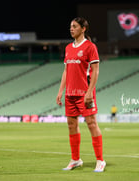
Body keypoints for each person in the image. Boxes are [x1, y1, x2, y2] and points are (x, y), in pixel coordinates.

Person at [56, 17, 106, 172]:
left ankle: (100, 160)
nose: (71, 29)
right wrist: (60, 91)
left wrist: (90, 92)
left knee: (91, 124)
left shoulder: (90, 47)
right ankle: (75, 159)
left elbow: (96, 71)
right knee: (72, 125)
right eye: (70, 26)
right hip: (70, 94)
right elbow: (66, 71)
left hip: (84, 94)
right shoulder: (68, 48)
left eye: (75, 26)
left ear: (83, 28)